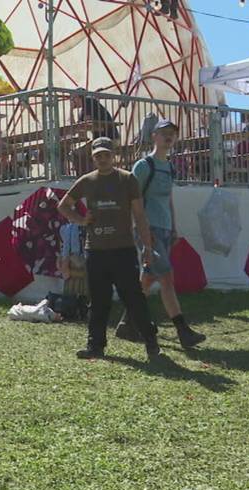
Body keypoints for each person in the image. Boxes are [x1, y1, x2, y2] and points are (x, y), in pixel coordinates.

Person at [57, 137, 160, 360]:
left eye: (106, 155)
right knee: (98, 301)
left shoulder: (127, 179)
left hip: (123, 249)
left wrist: (147, 247)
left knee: (133, 298)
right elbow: (63, 206)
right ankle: (95, 346)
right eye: (98, 156)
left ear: (113, 156)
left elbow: (140, 215)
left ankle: (151, 342)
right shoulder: (87, 181)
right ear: (93, 158)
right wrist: (81, 220)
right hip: (95, 250)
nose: (102, 159)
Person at [115, 119, 206, 349]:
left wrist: (173, 227)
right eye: (164, 132)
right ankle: (183, 331)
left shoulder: (170, 167)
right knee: (166, 277)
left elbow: (168, 200)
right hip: (148, 229)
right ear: (154, 136)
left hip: (164, 229)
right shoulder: (144, 166)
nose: (169, 137)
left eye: (172, 133)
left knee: (148, 278)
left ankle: (127, 323)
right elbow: (131, 199)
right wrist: (141, 230)